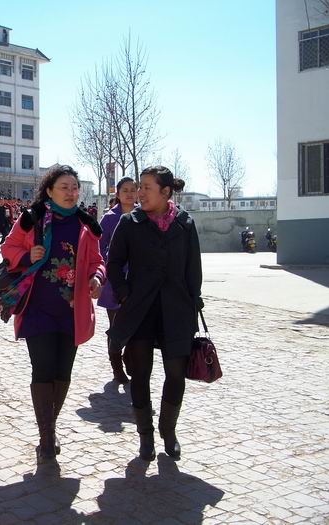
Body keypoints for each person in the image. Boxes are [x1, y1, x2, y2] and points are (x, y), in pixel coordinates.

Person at [0, 164, 106, 463]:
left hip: (71, 310)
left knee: (62, 373)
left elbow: (97, 260)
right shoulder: (32, 218)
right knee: (42, 370)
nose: (71, 193)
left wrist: (97, 277)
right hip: (37, 308)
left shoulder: (86, 224)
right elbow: (8, 247)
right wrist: (26, 255)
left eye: (74, 188)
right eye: (64, 187)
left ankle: (49, 427)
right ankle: (46, 438)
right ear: (49, 191)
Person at [106, 166, 202, 461]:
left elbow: (193, 269)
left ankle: (168, 430)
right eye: (139, 187)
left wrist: (192, 302)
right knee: (140, 373)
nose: (140, 193)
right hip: (140, 310)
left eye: (147, 187)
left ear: (166, 191)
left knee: (176, 373)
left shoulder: (185, 224)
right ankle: (145, 435)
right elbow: (113, 262)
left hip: (176, 311)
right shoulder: (129, 223)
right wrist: (124, 294)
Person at [97, 177, 137, 384]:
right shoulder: (109, 218)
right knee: (116, 327)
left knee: (137, 326)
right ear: (118, 194)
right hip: (114, 280)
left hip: (138, 280)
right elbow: (99, 247)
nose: (129, 194)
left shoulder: (144, 215)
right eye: (125, 190)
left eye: (133, 190)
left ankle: (131, 360)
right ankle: (116, 367)